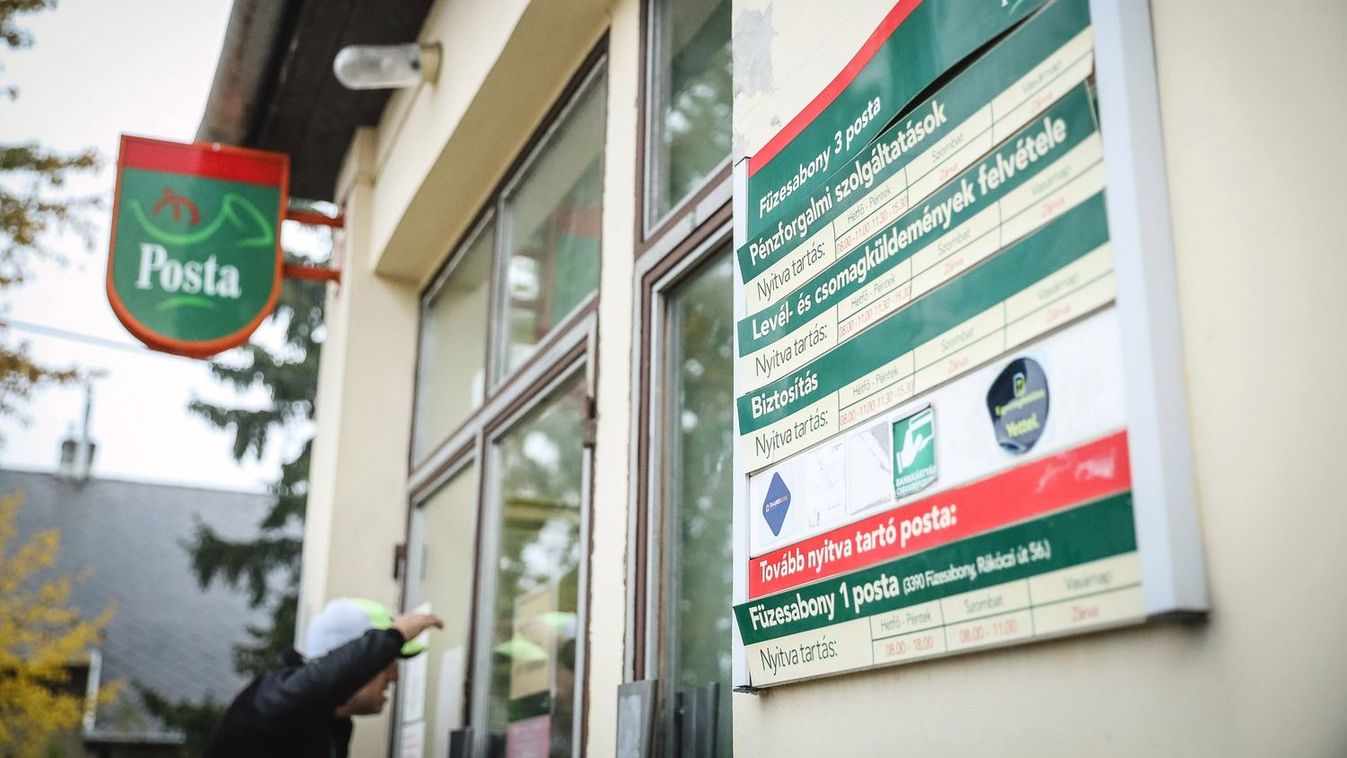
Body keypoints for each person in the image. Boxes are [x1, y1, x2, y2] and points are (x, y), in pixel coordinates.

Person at [205, 597, 443, 757]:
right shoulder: (272, 699)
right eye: (386, 663)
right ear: (350, 660)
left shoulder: (335, 728)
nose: (394, 677)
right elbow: (318, 682)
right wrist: (395, 635)